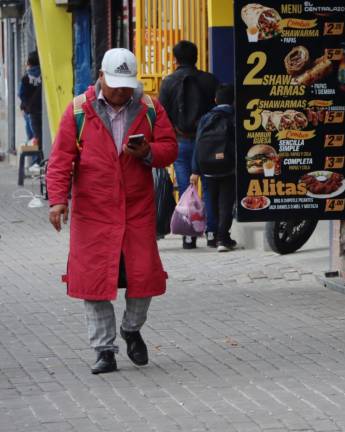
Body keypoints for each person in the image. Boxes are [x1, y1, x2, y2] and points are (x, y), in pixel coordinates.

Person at [46, 48, 178, 374]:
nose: (121, 92)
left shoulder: (149, 107)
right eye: (115, 85)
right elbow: (62, 158)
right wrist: (58, 200)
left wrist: (148, 151)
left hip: (137, 208)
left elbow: (169, 148)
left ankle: (131, 329)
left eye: (126, 86)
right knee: (94, 282)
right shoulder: (79, 109)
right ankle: (104, 350)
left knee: (143, 275)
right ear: (101, 77)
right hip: (93, 211)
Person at [159, 40, 219, 249]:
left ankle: (189, 235)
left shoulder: (167, 82)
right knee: (211, 185)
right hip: (209, 143)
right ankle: (212, 233)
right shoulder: (210, 80)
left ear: (175, 59)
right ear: (197, 57)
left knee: (186, 188)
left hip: (181, 141)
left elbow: (162, 115)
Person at [190, 84, 238, 252]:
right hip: (228, 167)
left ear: (215, 100)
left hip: (208, 168)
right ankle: (223, 239)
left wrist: (195, 170)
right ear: (233, 100)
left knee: (210, 201)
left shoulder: (205, 118)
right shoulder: (234, 117)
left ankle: (211, 236)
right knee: (226, 203)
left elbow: (198, 144)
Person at [18, 51, 43, 170]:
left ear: (29, 63)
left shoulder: (26, 77)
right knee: (40, 136)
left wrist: (25, 106)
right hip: (42, 111)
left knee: (33, 137)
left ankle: (35, 162)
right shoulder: (43, 75)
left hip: (30, 111)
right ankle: (41, 160)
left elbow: (21, 93)